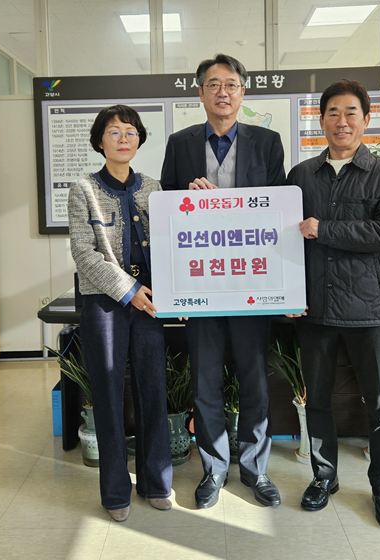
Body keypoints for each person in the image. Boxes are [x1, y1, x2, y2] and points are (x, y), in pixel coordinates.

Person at [160, 54, 286, 509]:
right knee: (205, 382)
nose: (223, 92)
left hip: (251, 286)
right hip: (202, 286)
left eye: (231, 84)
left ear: (243, 92)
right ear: (200, 93)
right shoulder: (180, 143)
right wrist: (186, 198)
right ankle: (213, 469)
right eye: (213, 84)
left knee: (255, 382)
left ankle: (255, 469)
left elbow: (277, 209)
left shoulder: (267, 142)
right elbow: (167, 208)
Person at [286, 80, 380, 528]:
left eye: (351, 112)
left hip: (368, 308)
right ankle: (324, 476)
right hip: (315, 307)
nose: (342, 121)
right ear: (321, 121)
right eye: (333, 113)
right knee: (317, 399)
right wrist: (287, 292)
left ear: (366, 119)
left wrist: (326, 229)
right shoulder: (301, 175)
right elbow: (283, 238)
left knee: (379, 403)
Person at [68, 105, 173, 522]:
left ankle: (155, 483)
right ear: (100, 141)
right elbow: (84, 252)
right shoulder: (84, 189)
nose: (124, 138)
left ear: (139, 139)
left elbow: (170, 243)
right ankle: (115, 494)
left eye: (131, 131)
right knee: (108, 395)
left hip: (150, 303)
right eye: (114, 132)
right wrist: (128, 291)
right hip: (106, 303)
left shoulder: (154, 187)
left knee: (153, 390)